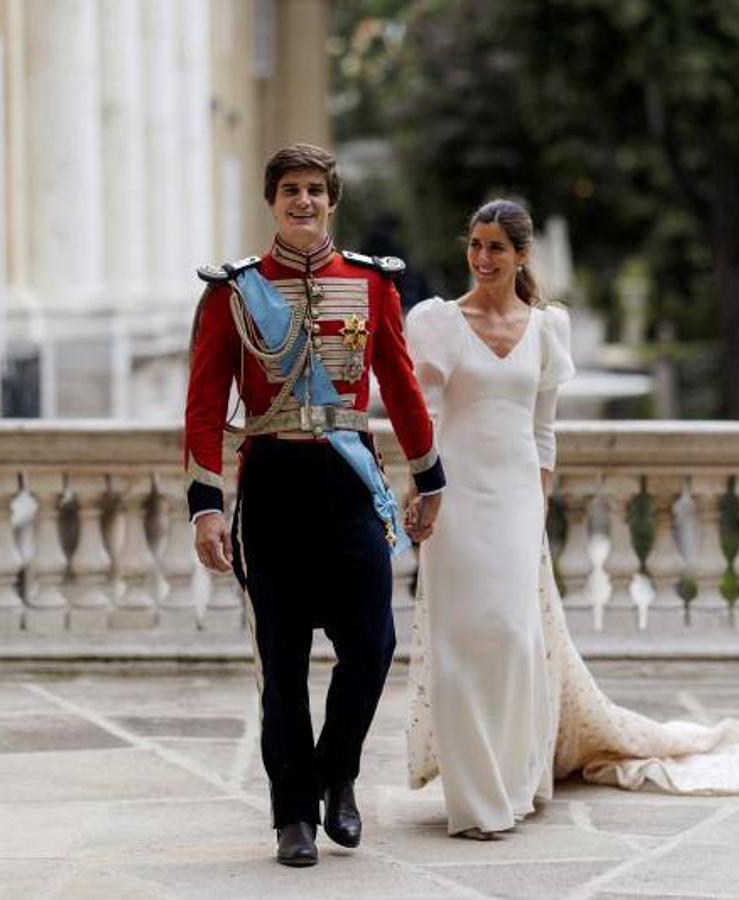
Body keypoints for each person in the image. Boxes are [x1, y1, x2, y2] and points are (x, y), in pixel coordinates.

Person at [403, 199, 739, 839]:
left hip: (518, 499)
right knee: (461, 641)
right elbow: (426, 421)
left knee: (517, 641)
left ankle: (517, 779)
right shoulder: (438, 322)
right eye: (475, 244)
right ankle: (475, 800)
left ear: (522, 255)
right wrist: (424, 489)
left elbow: (544, 432)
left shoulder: (548, 327)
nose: (483, 257)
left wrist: (539, 506)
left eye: (496, 246)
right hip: (457, 495)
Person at [184, 143, 444, 867]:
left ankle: (338, 774)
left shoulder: (371, 285)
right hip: (270, 486)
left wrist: (431, 478)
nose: (304, 202)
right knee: (282, 660)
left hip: (346, 483)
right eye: (291, 190)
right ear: (272, 200)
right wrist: (206, 506)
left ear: (332, 200)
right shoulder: (232, 292)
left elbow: (399, 382)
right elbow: (204, 405)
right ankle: (293, 816)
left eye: (315, 191)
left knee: (372, 647)